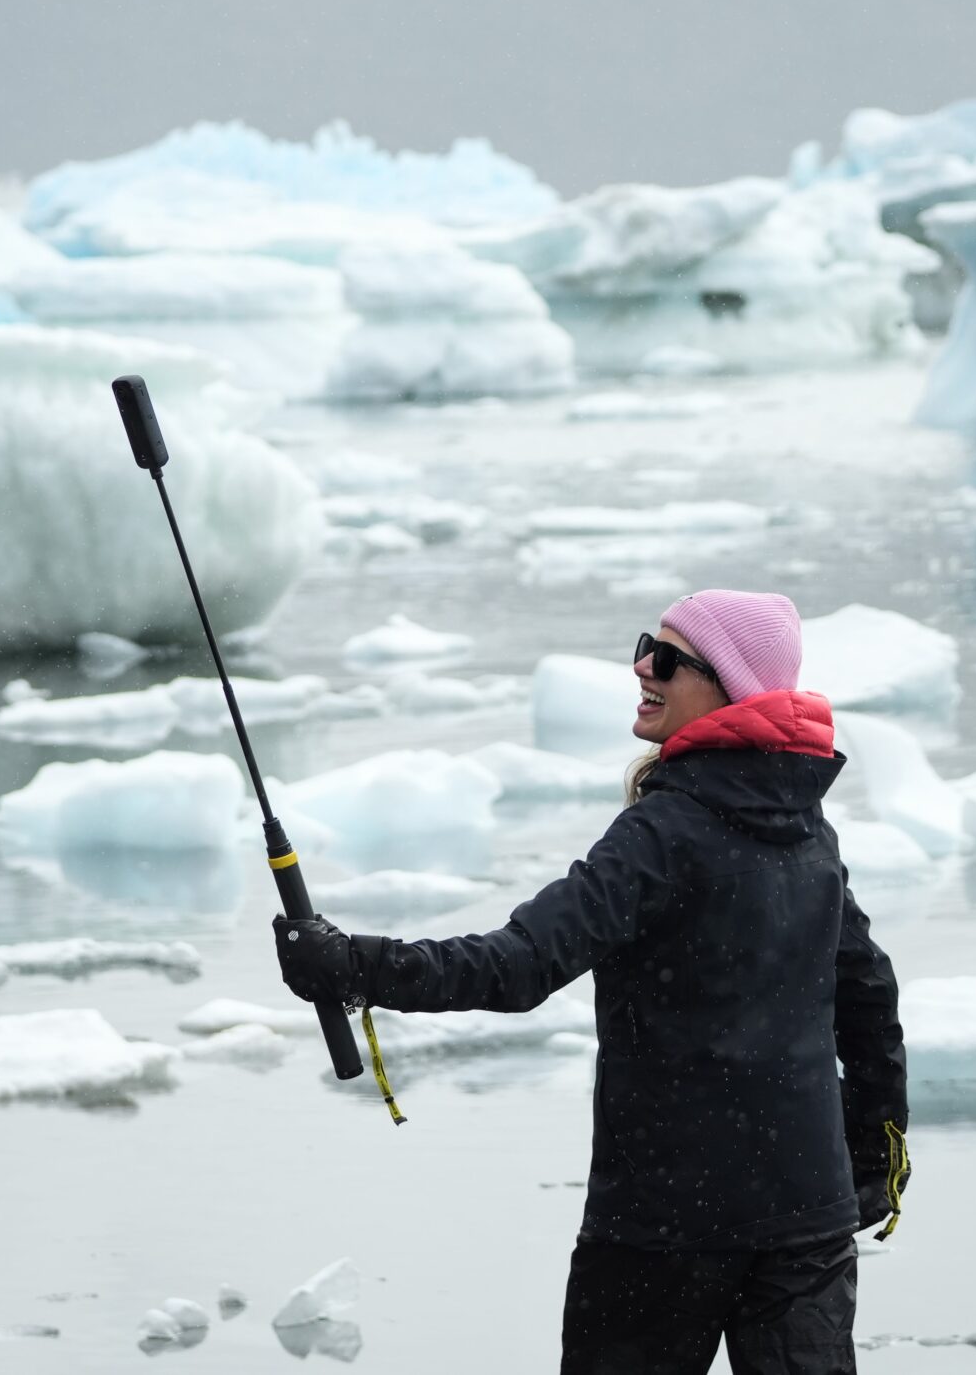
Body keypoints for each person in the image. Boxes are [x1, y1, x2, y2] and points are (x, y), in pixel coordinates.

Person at [276, 589, 909, 1375]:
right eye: (648, 643)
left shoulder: (662, 834)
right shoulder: (807, 827)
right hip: (803, 1214)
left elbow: (518, 963)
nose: (643, 664)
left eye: (669, 658)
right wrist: (875, 1154)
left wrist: (351, 963)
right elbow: (871, 1000)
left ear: (729, 687)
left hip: (665, 1222)